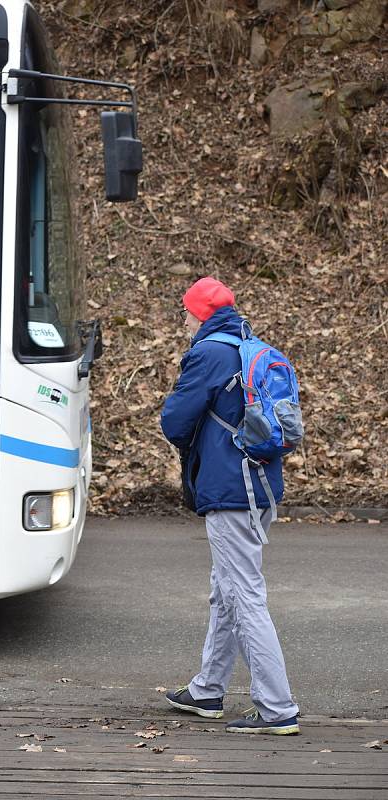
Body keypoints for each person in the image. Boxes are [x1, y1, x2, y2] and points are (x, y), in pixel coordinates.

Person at [160, 276, 299, 735]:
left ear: (198, 313)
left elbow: (176, 421)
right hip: (259, 484)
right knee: (227, 589)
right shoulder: (251, 346)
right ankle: (207, 690)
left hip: (229, 487)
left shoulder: (209, 353)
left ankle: (277, 707)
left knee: (243, 595)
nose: (183, 319)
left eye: (185, 312)